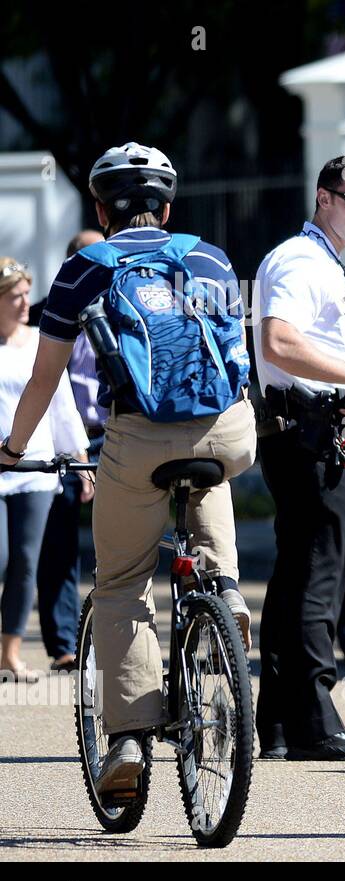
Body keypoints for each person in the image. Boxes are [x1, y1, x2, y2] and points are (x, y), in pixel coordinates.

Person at [0, 142, 256, 796]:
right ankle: (223, 586)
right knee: (212, 476)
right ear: (167, 206)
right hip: (229, 429)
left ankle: (131, 741)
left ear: (99, 208)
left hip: (139, 435)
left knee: (119, 584)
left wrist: (11, 449)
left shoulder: (87, 266)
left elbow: (44, 379)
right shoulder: (211, 256)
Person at [251, 155, 345, 762]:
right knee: (319, 574)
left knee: (297, 574)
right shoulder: (299, 260)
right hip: (309, 431)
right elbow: (277, 339)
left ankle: (279, 722)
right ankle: (315, 719)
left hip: (310, 431)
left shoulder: (317, 261)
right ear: (322, 198)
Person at [0, 258, 90, 681]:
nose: (24, 303)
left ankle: (10, 653)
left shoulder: (40, 340)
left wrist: (78, 457)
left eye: (25, 294)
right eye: (14, 295)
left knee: (23, 560)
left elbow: (61, 401)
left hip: (33, 466)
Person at [35, 229, 106, 672]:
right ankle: (64, 647)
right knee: (58, 543)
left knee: (118, 541)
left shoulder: (122, 305)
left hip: (113, 431)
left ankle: (113, 640)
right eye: (89, 257)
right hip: (62, 439)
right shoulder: (45, 312)